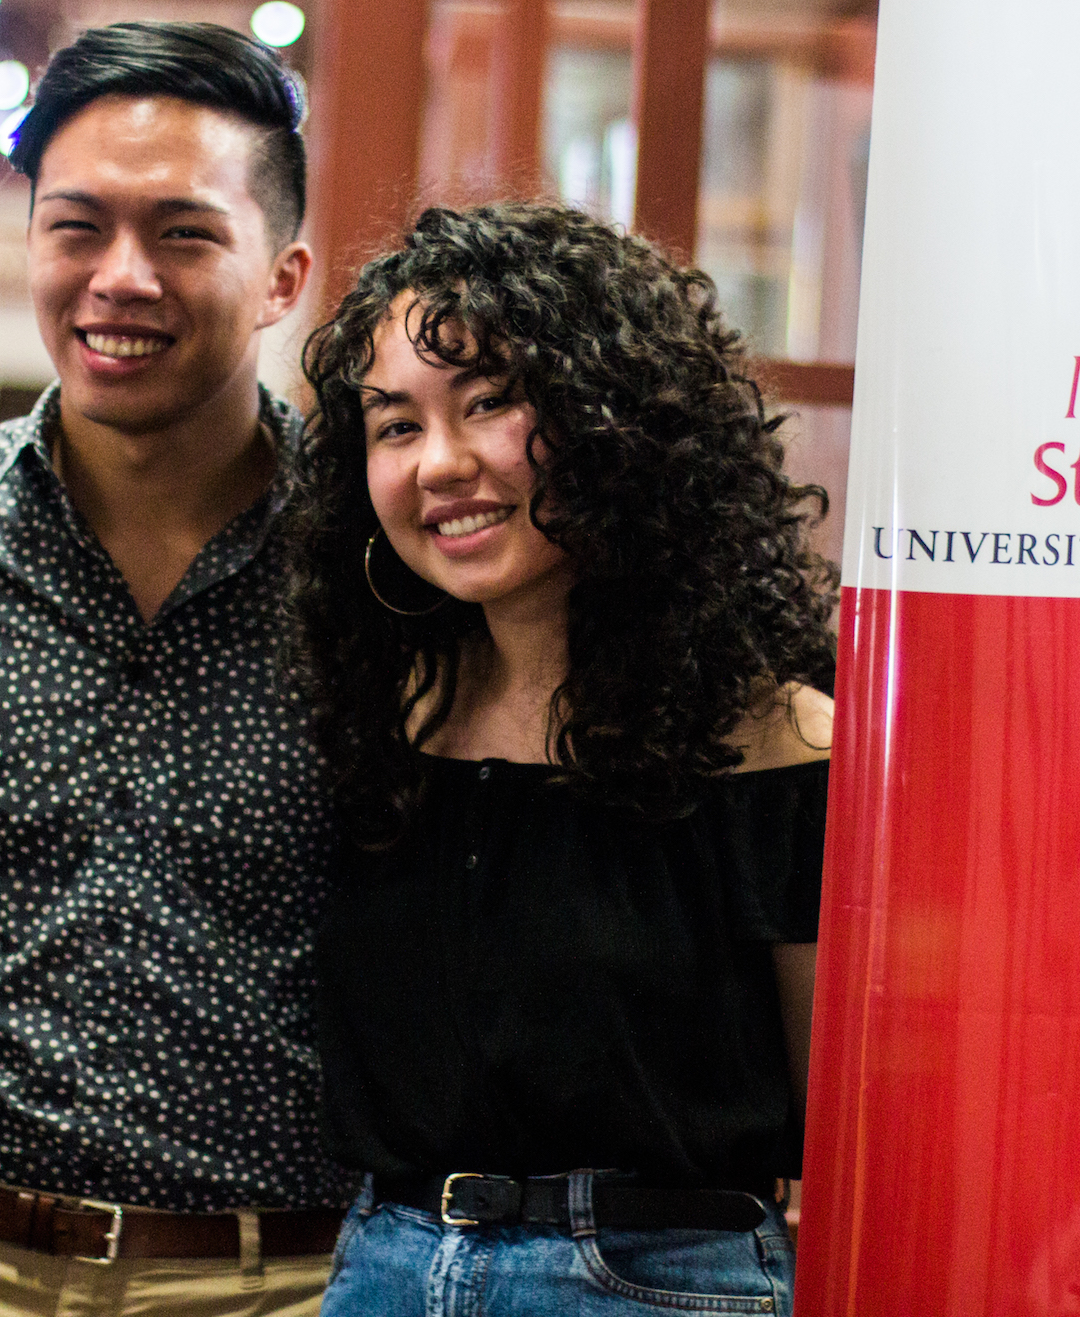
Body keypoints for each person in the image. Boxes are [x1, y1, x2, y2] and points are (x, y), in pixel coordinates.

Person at [0, 22, 347, 1317]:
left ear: (283, 275)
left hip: (281, 1277)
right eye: (77, 227)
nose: (120, 277)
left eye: (184, 234)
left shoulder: (373, 564)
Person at [284, 201, 839, 1315]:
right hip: (384, 1266)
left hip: (660, 1282)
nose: (440, 463)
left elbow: (848, 1134)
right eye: (395, 424)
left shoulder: (783, 742)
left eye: (489, 403)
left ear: (614, 420)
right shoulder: (381, 721)